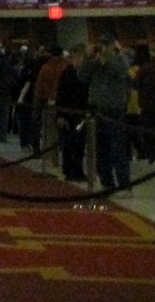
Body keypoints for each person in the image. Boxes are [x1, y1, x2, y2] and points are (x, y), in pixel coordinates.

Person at [82, 34, 132, 191]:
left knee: (117, 147)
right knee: (101, 148)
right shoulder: (95, 60)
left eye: (105, 45)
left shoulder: (119, 58)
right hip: (97, 109)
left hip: (115, 109)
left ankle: (124, 183)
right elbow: (82, 76)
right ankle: (106, 180)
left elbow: (122, 71)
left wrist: (109, 57)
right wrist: (90, 60)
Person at [56, 44, 90, 183]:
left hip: (81, 113)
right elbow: (61, 94)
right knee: (69, 144)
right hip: (68, 113)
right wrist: (60, 115)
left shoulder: (85, 73)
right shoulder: (67, 73)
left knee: (79, 144)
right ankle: (70, 171)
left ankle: (77, 171)